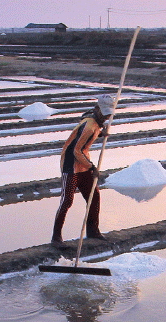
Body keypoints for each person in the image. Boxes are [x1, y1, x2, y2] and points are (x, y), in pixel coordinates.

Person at [51, 94, 117, 245]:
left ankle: (93, 231)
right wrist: (92, 167)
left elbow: (91, 134)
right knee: (67, 200)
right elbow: (76, 151)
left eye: (108, 113)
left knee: (94, 196)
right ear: (96, 109)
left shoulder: (95, 124)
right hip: (70, 164)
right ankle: (56, 238)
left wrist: (101, 133)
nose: (106, 116)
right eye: (104, 113)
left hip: (82, 162)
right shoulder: (89, 125)